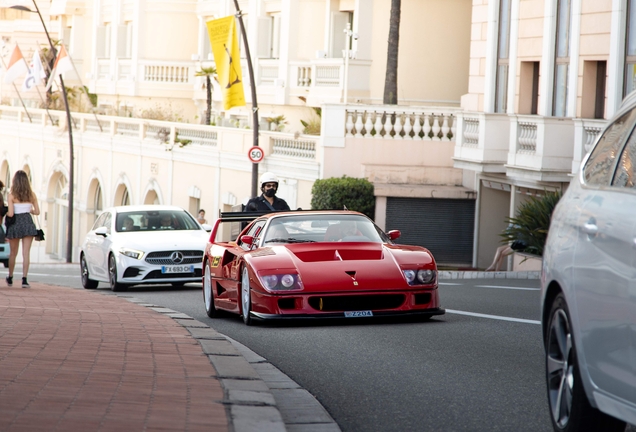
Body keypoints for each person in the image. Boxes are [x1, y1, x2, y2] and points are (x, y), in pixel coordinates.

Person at [5, 170, 40, 288]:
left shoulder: (11, 196)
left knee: (13, 253)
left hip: (15, 223)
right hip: (28, 223)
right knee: (26, 253)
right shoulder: (32, 195)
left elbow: (10, 213)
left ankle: (10, 277)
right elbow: (38, 212)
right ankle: (24, 279)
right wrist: (30, 210)